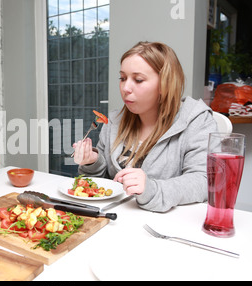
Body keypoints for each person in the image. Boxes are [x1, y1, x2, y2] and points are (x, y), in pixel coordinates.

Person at [73, 41, 217, 212]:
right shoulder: (114, 120)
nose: (125, 88)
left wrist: (152, 189)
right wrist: (92, 162)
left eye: (138, 80)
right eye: (123, 78)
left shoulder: (197, 120)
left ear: (165, 84)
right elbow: (102, 186)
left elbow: (204, 182)